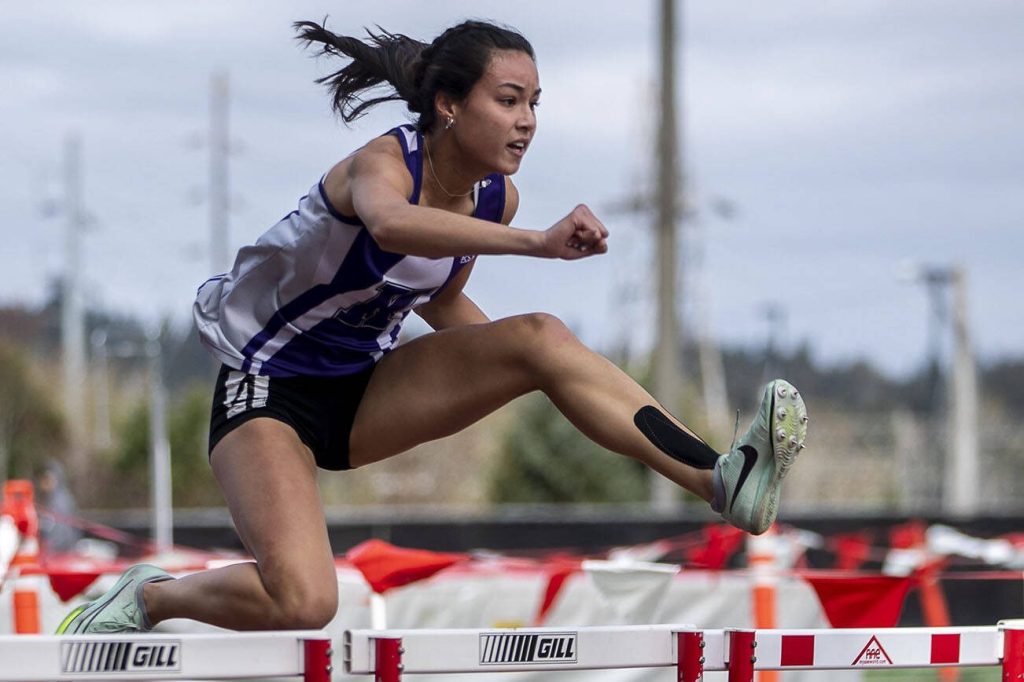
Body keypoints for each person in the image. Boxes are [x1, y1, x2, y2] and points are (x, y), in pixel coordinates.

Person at [57, 18, 807, 635]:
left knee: (540, 337)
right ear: (449, 105)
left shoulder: (495, 197)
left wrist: (530, 370)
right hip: (268, 390)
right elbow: (392, 226)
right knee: (305, 603)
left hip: (363, 393)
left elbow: (442, 301)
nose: (527, 122)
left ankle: (721, 479)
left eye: (535, 103)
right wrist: (538, 245)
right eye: (508, 101)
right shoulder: (381, 165)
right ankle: (152, 595)